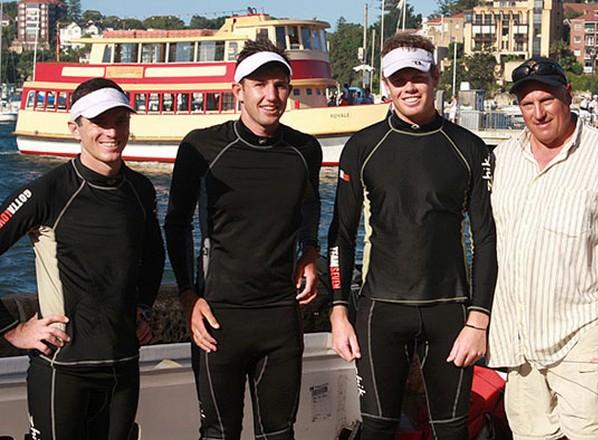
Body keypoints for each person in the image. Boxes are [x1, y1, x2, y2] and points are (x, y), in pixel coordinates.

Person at [328, 33, 497, 440]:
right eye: (398, 79)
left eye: (417, 77)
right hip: (380, 310)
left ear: (436, 76)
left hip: (450, 312)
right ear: (386, 85)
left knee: (452, 430)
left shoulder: (469, 148)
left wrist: (479, 317)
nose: (408, 88)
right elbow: (341, 235)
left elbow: (487, 238)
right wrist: (337, 311)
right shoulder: (362, 147)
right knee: (377, 428)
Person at [488, 57, 598, 440]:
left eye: (546, 100)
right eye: (527, 104)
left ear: (567, 96)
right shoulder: (504, 159)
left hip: (586, 340)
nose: (538, 112)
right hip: (521, 349)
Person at [164, 38, 322, 440]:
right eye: (259, 84)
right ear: (239, 91)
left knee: (279, 433)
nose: (272, 95)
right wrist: (187, 296)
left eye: (280, 85)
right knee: (218, 433)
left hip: (279, 320)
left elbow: (309, 207)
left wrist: (309, 251)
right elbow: (177, 225)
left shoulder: (305, 150)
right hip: (219, 318)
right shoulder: (202, 147)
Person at [0, 77, 165, 439]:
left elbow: (154, 255)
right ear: (75, 128)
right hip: (63, 367)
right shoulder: (47, 191)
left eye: (120, 120)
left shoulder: (139, 189)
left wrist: (144, 308)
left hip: (123, 365)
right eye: (99, 122)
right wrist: (11, 329)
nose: (111, 132)